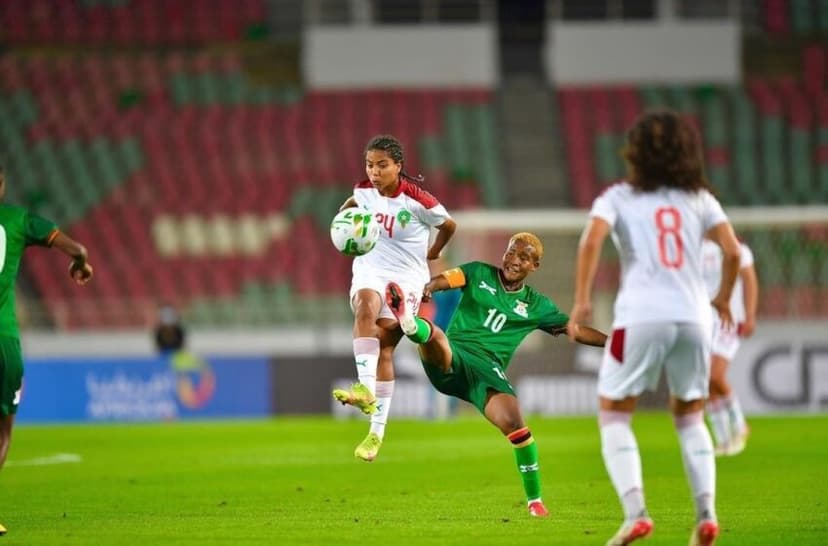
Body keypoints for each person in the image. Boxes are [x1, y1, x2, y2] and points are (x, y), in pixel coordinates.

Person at [567, 109, 742, 546]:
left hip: (641, 316)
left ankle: (636, 513)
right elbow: (733, 252)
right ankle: (706, 515)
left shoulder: (619, 197)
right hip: (695, 317)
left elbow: (591, 240)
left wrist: (583, 301)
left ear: (636, 154)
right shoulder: (700, 199)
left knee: (613, 413)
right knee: (689, 417)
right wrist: (722, 296)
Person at [384, 232, 607, 517]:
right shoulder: (478, 272)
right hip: (453, 356)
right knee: (436, 335)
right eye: (511, 252)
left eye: (523, 257)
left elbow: (573, 330)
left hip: (487, 373)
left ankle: (535, 502)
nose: (514, 260)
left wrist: (612, 343)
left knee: (516, 424)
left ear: (534, 266)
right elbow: (448, 279)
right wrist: (430, 287)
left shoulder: (537, 305)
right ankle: (411, 324)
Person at [332, 135, 456, 462]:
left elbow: (449, 225)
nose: (374, 171)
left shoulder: (418, 200)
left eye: (382, 165)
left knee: (385, 345)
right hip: (370, 269)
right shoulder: (363, 192)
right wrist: (342, 226)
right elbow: (349, 207)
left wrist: (434, 252)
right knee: (364, 307)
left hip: (407, 277)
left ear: (398, 166)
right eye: (370, 165)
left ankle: (376, 434)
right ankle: (364, 388)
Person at [0, 163, 93, 535]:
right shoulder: (19, 219)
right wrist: (80, 262)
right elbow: (78, 248)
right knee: (3, 428)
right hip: (3, 342)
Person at [701, 238, 757, 456]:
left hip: (729, 321)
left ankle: (740, 424)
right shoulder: (691, 246)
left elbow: (750, 279)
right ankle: (723, 440)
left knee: (715, 376)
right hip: (703, 322)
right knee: (705, 381)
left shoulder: (735, 247)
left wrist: (750, 315)